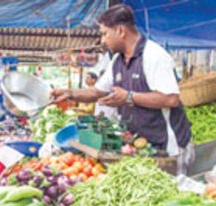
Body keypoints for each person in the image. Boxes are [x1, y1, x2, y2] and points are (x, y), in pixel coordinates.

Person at [52, 4, 193, 174]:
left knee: (170, 194)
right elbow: (97, 92)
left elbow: (171, 99)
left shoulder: (154, 55)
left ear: (120, 31)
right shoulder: (118, 60)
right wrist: (70, 93)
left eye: (105, 34)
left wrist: (128, 97)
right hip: (141, 146)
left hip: (168, 148)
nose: (103, 41)